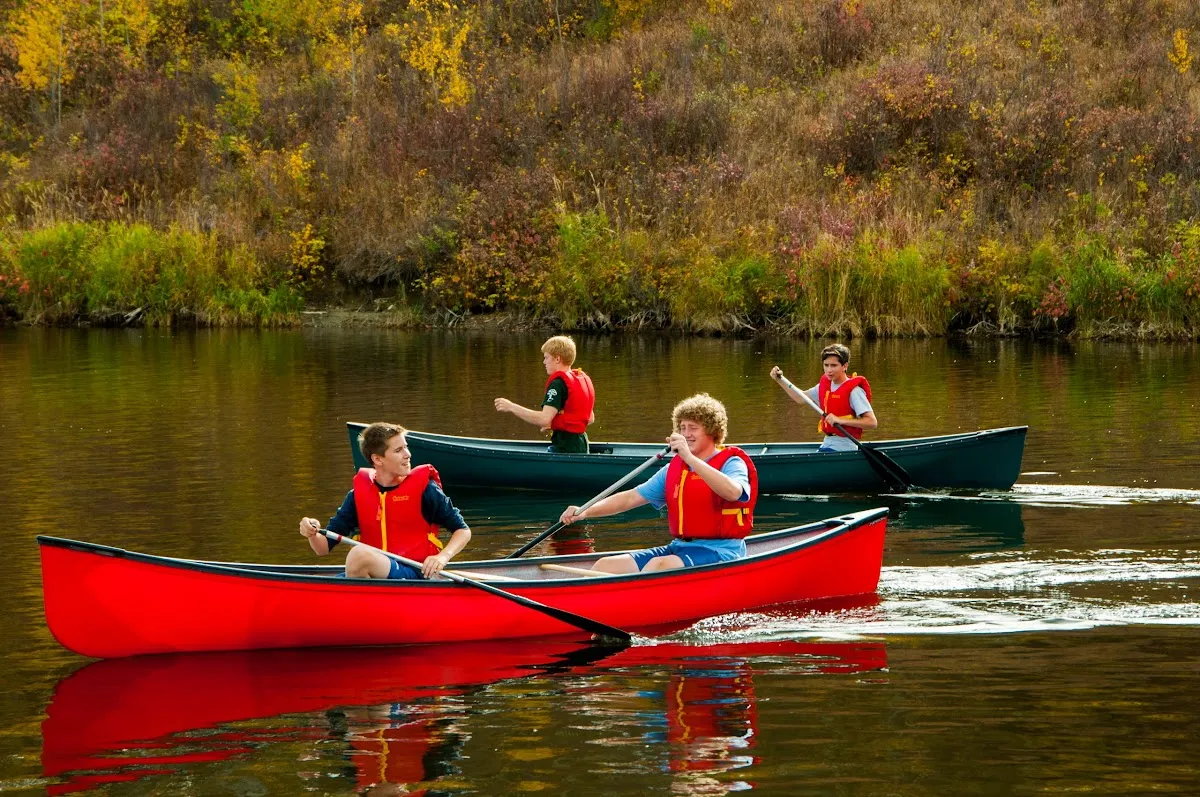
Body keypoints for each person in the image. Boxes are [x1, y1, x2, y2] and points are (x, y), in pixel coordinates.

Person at [557, 393, 757, 574]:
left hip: (721, 551)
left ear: (712, 431)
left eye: (693, 428)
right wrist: (586, 511)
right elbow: (630, 498)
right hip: (680, 547)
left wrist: (689, 457)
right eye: (682, 428)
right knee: (605, 565)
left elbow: (734, 492)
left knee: (657, 567)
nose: (686, 434)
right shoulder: (675, 469)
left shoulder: (731, 462)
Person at [299, 422, 471, 579]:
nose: (408, 455)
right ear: (377, 459)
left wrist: (442, 557)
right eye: (398, 450)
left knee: (359, 556)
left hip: (415, 573)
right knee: (352, 563)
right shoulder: (357, 496)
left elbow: (463, 531)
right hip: (374, 571)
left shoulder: (426, 490)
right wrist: (311, 532)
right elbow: (322, 549)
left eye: (406, 447)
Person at [494, 335, 596, 453]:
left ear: (557, 359)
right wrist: (556, 424)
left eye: (546, 358)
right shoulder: (578, 380)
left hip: (565, 447)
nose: (544, 362)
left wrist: (511, 407)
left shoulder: (558, 384)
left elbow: (543, 419)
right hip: (582, 444)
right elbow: (590, 419)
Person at [770, 343, 878, 452]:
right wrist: (779, 380)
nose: (829, 370)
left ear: (845, 366)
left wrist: (840, 420)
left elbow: (872, 422)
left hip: (845, 446)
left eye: (833, 365)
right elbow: (800, 398)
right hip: (827, 443)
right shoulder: (824, 387)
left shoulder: (854, 391)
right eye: (826, 365)